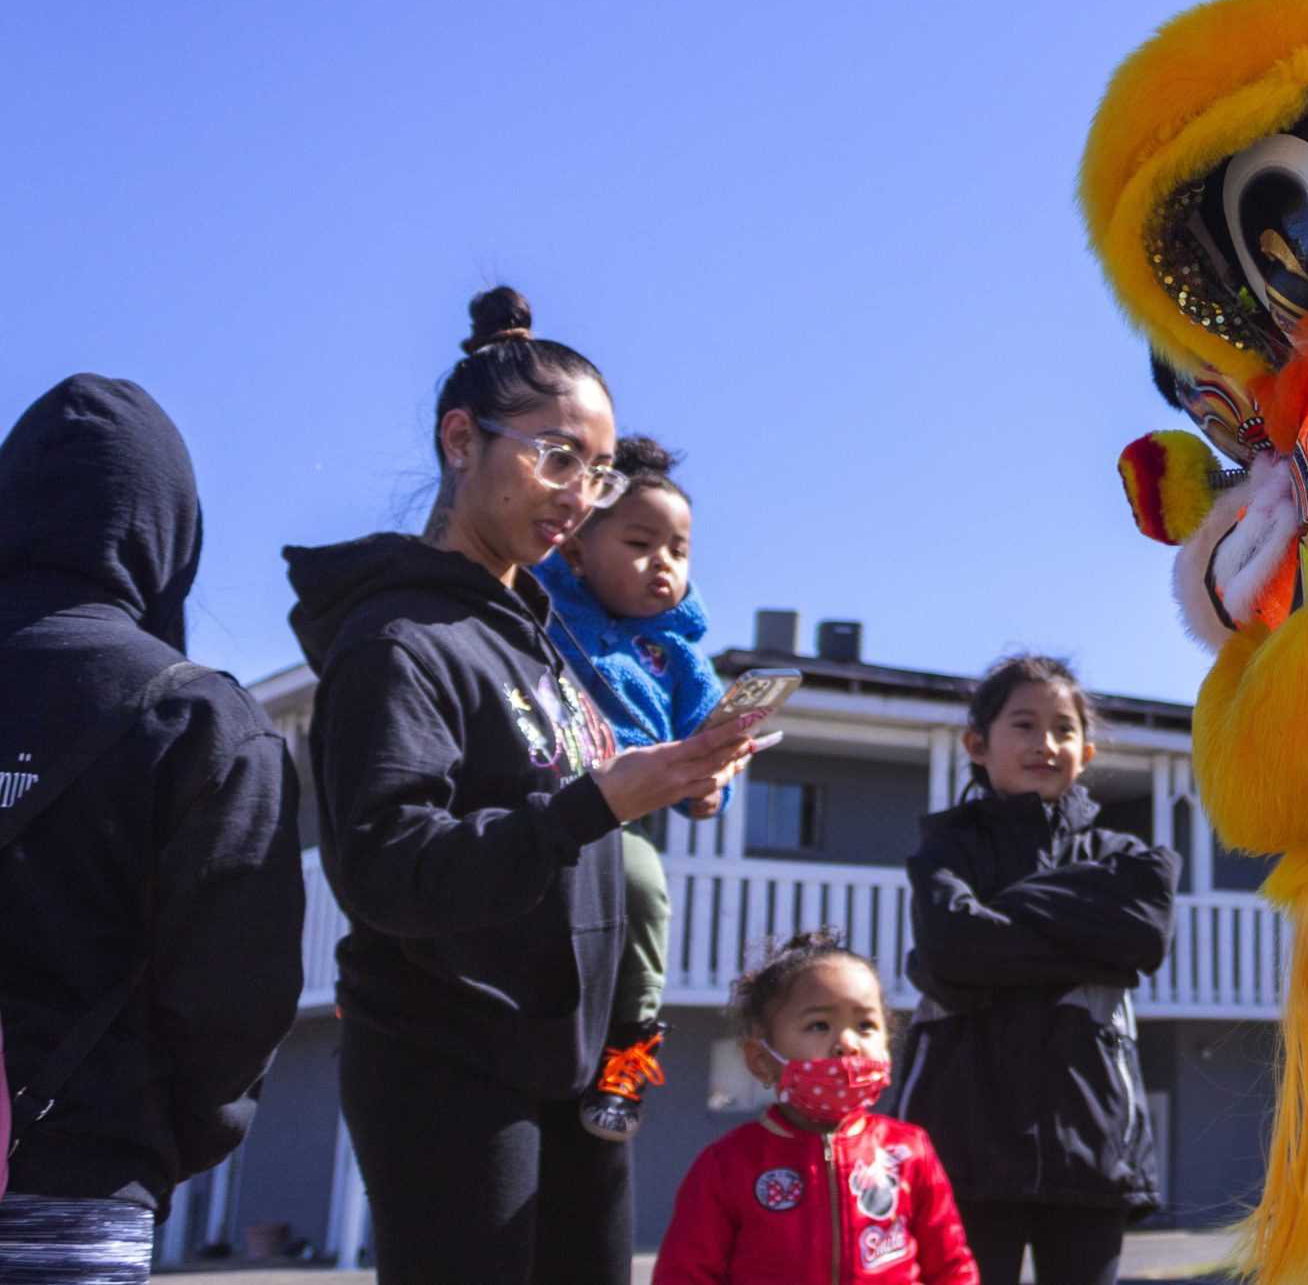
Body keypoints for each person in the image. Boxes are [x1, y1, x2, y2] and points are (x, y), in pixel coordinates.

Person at [286, 288, 770, 1285]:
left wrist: (678, 773)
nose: (576, 494)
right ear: (460, 440)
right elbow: (386, 870)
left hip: (575, 1063)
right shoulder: (399, 642)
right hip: (450, 1068)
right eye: (555, 457)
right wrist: (603, 799)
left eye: (595, 476)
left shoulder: (547, 649)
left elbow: (578, 836)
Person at [0, 376, 304, 1283]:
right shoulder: (198, 718)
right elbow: (235, 998)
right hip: (79, 1184)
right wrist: (156, 1141)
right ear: (167, 529)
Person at [890, 656, 1179, 1285]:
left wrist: (1003, 910)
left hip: (1091, 1138)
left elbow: (1144, 933)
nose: (1045, 744)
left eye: (1063, 728)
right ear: (978, 745)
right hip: (963, 1141)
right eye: (1023, 725)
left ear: (1088, 749)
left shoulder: (1125, 856)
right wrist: (1080, 930)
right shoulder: (947, 847)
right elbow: (951, 947)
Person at [530, 434, 724, 1142]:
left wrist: (713, 785)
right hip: (543, 799)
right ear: (577, 548)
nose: (662, 564)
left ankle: (630, 1043)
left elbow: (710, 735)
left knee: (641, 888)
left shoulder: (678, 653)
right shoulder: (546, 604)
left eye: (678, 550)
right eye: (641, 542)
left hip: (623, 817)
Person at [655, 929, 979, 1285]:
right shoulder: (728, 1164)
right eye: (819, 1025)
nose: (847, 1043)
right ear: (762, 1060)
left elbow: (951, 1268)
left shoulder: (909, 1149)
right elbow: (684, 1274)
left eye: (866, 1025)